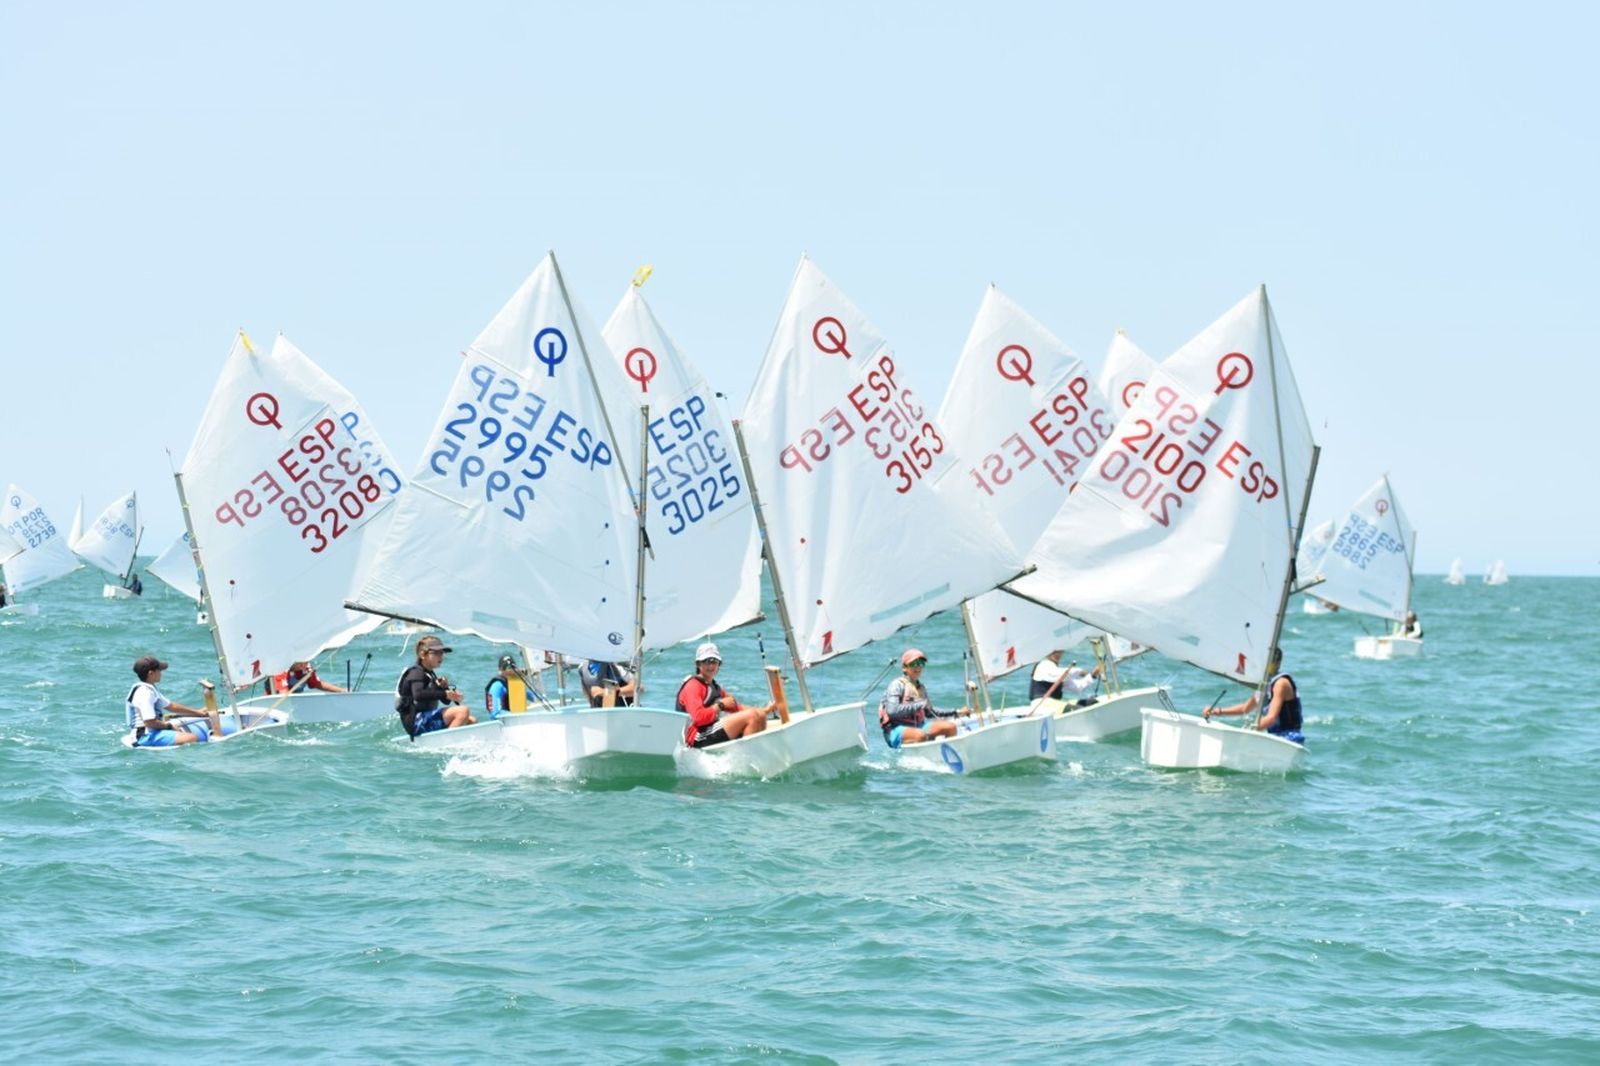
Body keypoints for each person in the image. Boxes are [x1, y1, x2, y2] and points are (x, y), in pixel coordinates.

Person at [675, 642, 771, 748]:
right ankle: (745, 758)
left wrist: (765, 710)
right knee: (752, 716)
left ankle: (753, 753)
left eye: (714, 661)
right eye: (706, 661)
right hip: (695, 737)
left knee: (760, 716)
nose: (711, 665)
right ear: (698, 664)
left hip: (709, 729)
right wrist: (720, 706)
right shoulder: (693, 686)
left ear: (719, 664)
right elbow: (698, 718)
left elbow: (736, 707)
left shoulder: (714, 687)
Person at [1203, 647, 1304, 744]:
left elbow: (1271, 718)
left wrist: (1249, 731)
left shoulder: (1281, 683)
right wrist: (1218, 711)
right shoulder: (1266, 684)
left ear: (1278, 664)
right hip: (1275, 737)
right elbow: (1245, 708)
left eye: (1270, 662)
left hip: (1290, 738)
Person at [125, 655, 220, 746]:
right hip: (144, 737)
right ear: (151, 673)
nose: (161, 673)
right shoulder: (145, 693)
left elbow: (171, 706)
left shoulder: (147, 687)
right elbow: (149, 722)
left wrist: (198, 712)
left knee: (183, 731)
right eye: (159, 670)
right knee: (191, 738)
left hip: (149, 732)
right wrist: (169, 726)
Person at [879, 648, 965, 748]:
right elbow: (892, 711)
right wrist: (918, 705)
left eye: (921, 663)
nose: (918, 667)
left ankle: (948, 756)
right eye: (914, 664)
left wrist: (956, 712)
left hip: (918, 727)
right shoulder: (896, 685)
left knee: (950, 727)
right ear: (904, 667)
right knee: (921, 735)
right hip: (895, 730)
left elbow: (930, 712)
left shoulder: (921, 687)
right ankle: (918, 758)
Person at [395, 635, 476, 738]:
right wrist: (444, 693)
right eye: (436, 653)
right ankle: (448, 742)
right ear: (422, 655)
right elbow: (418, 695)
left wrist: (444, 689)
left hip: (425, 719)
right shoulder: (416, 672)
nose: (441, 656)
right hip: (416, 722)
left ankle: (460, 743)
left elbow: (444, 701)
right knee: (462, 711)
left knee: (471, 720)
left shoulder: (430, 674)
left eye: (442, 653)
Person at [1029, 649, 1103, 703]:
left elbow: (1077, 686)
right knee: (1077, 709)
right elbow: (1060, 674)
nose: (1058, 654)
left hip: (1054, 704)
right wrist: (1080, 671)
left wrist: (1093, 674)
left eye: (1060, 651)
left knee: (1091, 702)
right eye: (1055, 652)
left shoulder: (1056, 671)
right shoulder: (1044, 665)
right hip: (1042, 705)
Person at [273, 660, 347, 694]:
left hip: (295, 703)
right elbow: (282, 693)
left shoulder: (307, 668)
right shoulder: (281, 670)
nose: (303, 665)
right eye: (300, 662)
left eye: (305, 662)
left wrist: (341, 691)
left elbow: (317, 684)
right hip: (275, 704)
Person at [485, 654, 521, 718]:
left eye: (511, 667)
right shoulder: (497, 686)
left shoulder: (514, 683)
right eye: (505, 668)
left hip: (514, 717)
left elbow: (532, 698)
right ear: (499, 669)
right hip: (501, 721)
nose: (509, 671)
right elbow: (496, 713)